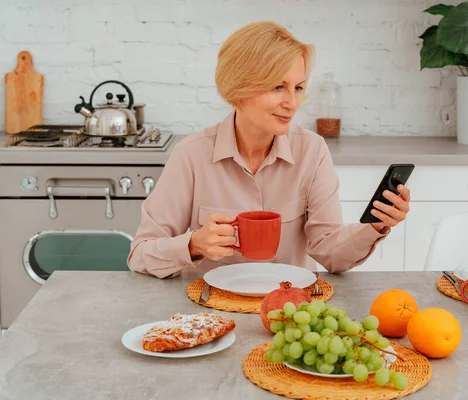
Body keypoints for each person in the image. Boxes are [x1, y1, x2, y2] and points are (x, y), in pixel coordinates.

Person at [127, 21, 411, 279]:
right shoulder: (191, 155)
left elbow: (331, 254)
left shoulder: (312, 151)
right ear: (239, 87)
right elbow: (140, 254)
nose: (292, 102)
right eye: (278, 87)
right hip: (212, 314)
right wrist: (193, 245)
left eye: (298, 88)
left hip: (290, 314)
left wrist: (374, 226)